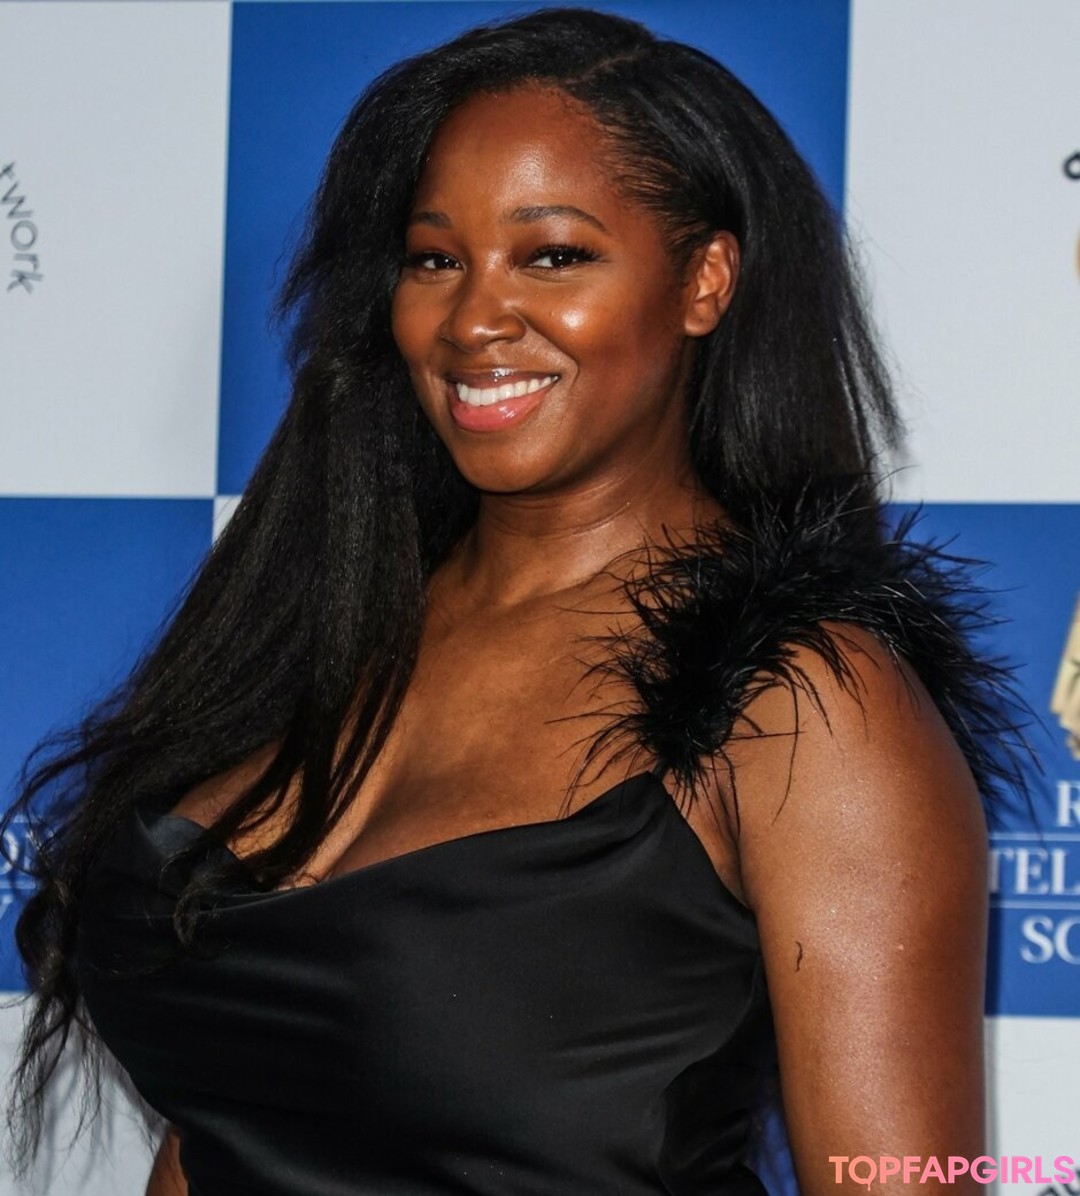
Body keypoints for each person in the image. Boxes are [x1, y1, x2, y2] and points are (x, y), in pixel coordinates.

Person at [2, 8, 1026, 1195]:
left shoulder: (804, 706)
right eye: (436, 259)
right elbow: (220, 1125)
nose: (473, 318)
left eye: (553, 256)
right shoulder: (316, 621)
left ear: (704, 279)